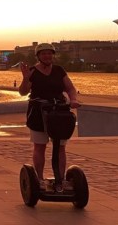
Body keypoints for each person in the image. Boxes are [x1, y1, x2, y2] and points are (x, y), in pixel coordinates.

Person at [19, 43, 81, 186]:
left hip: (58, 111)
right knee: (40, 145)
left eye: (49, 53)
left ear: (53, 55)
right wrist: (26, 77)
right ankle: (39, 179)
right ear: (38, 56)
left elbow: (70, 88)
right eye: (43, 54)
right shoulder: (32, 71)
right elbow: (23, 92)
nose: (47, 56)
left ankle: (61, 178)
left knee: (60, 146)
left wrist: (73, 100)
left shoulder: (59, 70)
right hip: (38, 112)